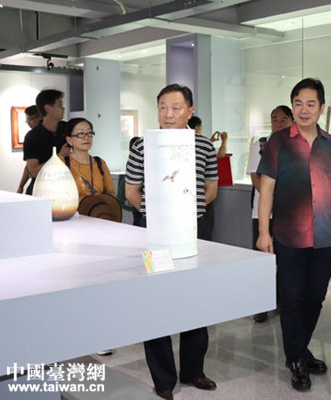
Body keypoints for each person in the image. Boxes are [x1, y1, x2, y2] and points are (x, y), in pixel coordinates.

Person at [125, 84, 218, 400]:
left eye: (176, 107)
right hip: (155, 235)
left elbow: (211, 187)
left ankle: (194, 371)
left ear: (190, 111)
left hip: (194, 231)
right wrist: (158, 217)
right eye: (163, 107)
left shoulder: (204, 146)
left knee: (197, 300)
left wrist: (187, 213)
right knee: (156, 302)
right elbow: (131, 191)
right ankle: (163, 379)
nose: (168, 114)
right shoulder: (142, 146)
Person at [256, 78, 331, 392]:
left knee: (315, 298)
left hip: (323, 236)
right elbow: (267, 189)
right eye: (298, 103)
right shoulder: (278, 142)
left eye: (311, 104)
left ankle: (300, 348)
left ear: (321, 108)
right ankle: (296, 359)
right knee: (292, 299)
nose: (304, 109)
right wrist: (264, 232)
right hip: (288, 236)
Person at [247, 105, 293, 323]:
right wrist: (271, 199)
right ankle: (260, 304)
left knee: (286, 260)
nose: (278, 123)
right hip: (262, 212)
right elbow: (255, 177)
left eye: (283, 119)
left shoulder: (296, 145)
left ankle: (281, 299)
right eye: (274, 119)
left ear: (292, 121)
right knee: (262, 259)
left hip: (289, 213)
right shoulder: (261, 144)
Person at [23, 90, 69, 194]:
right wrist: (59, 157)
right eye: (60, 105)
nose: (63, 108)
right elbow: (34, 171)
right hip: (42, 191)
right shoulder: (32, 137)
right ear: (48, 108)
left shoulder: (68, 129)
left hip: (66, 188)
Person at [60, 118, 115, 201]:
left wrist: (101, 198)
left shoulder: (100, 163)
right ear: (69, 140)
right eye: (81, 134)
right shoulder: (61, 163)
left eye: (89, 133)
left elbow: (111, 192)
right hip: (72, 209)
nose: (86, 137)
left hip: (97, 208)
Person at [16, 105, 42, 194]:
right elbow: (29, 166)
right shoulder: (31, 137)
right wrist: (21, 186)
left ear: (40, 116)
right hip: (36, 184)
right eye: (27, 121)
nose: (29, 123)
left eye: (30, 119)